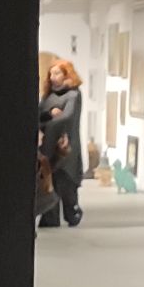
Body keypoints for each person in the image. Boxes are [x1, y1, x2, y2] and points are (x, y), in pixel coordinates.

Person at [38, 58, 84, 228]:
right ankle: (50, 218)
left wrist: (48, 120)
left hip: (66, 144)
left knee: (66, 182)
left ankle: (72, 213)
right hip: (48, 145)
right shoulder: (48, 96)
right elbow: (38, 116)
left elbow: (67, 117)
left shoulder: (73, 95)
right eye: (51, 73)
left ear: (66, 75)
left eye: (56, 73)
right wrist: (50, 114)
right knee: (50, 182)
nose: (52, 77)